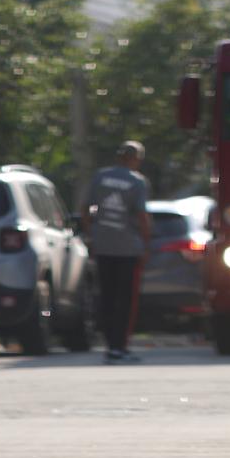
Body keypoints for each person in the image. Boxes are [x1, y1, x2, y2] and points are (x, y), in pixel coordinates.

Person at [80, 141, 152, 364]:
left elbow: (85, 209)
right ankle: (120, 347)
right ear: (136, 159)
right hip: (128, 248)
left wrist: (92, 234)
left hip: (103, 246)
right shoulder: (137, 181)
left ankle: (110, 346)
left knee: (107, 297)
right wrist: (146, 245)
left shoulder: (100, 177)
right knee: (126, 300)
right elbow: (141, 216)